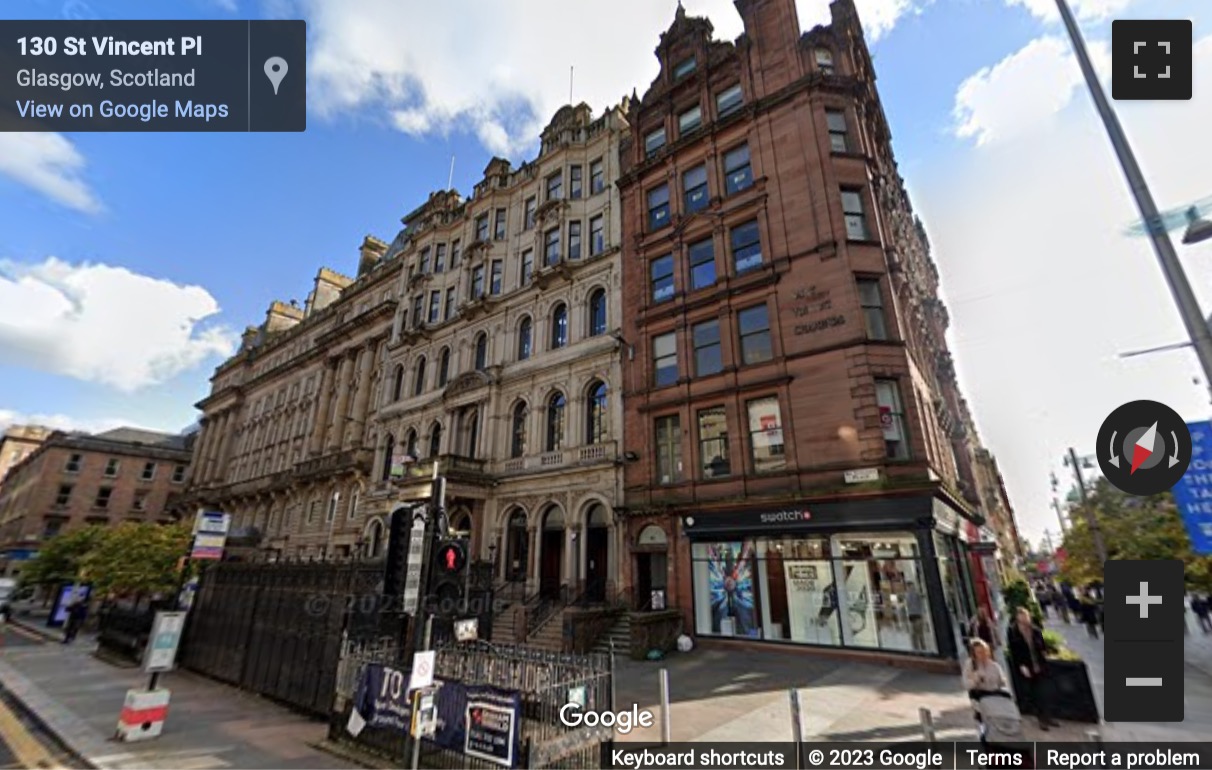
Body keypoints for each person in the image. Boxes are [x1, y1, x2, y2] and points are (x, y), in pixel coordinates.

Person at [1007, 607, 1058, 731]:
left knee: (1044, 692)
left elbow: (1042, 644)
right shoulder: (1013, 632)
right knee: (1035, 693)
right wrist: (1021, 666)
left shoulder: (1035, 630)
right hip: (1026, 666)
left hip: (1039, 664)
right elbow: (1014, 651)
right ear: (1018, 619)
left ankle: (1048, 716)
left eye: (1026, 618)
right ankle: (1041, 719)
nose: (1025, 621)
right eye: (1022, 619)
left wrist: (1045, 652)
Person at [905, 582, 926, 651]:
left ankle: (922, 648)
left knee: (919, 633)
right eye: (909, 587)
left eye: (910, 586)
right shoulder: (907, 595)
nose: (910, 588)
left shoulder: (916, 594)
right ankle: (917, 649)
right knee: (914, 634)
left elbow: (923, 596)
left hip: (917, 615)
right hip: (912, 616)